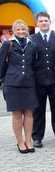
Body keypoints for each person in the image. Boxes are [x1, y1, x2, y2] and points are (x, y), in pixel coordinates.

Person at [0, 20, 39, 153]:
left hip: (28, 83)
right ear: (14, 31)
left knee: (29, 112)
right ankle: (20, 141)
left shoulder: (32, 45)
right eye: (18, 29)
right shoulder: (7, 44)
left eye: (23, 29)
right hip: (13, 84)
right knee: (17, 114)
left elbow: (34, 63)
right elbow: (1, 65)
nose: (21, 32)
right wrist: (4, 80)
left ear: (27, 31)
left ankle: (28, 140)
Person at [31, 11, 55, 148]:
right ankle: (37, 137)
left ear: (50, 22)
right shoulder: (32, 39)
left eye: (46, 20)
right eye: (41, 21)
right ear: (37, 23)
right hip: (38, 81)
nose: (44, 23)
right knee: (38, 111)